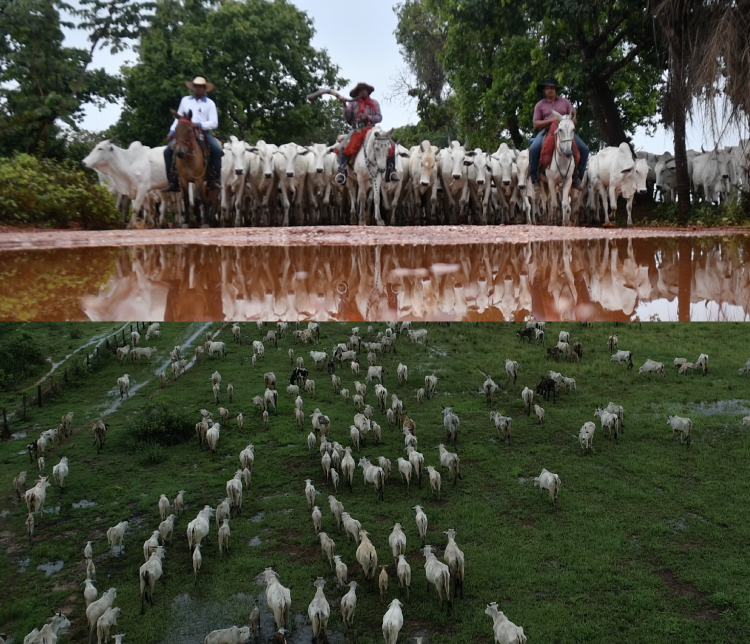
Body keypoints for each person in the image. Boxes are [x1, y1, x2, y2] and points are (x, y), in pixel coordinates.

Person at [162, 76, 222, 192]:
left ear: (204, 88)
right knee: (167, 151)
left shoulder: (210, 103)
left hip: (202, 131)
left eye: (200, 86)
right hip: (184, 132)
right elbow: (178, 118)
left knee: (216, 150)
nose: (198, 88)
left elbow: (214, 123)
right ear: (193, 87)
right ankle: (173, 181)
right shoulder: (185, 100)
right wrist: (172, 131)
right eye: (196, 86)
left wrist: (198, 125)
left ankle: (214, 179)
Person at [529, 78, 588, 192]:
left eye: (552, 88)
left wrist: (569, 118)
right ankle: (534, 178)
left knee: (584, 149)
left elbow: (574, 120)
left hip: (565, 132)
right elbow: (536, 123)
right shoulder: (540, 105)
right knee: (534, 148)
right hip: (547, 131)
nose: (550, 90)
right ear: (544, 91)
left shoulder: (565, 102)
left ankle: (577, 178)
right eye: (547, 88)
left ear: (556, 89)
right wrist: (552, 120)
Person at [334, 82, 398, 185]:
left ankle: (391, 170)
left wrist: (368, 117)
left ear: (368, 91)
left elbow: (379, 117)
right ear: (357, 93)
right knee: (342, 147)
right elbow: (347, 118)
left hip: (372, 130)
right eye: (360, 90)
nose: (362, 92)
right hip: (357, 130)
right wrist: (344, 104)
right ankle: (342, 171)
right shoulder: (353, 104)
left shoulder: (375, 103)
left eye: (364, 90)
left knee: (391, 145)